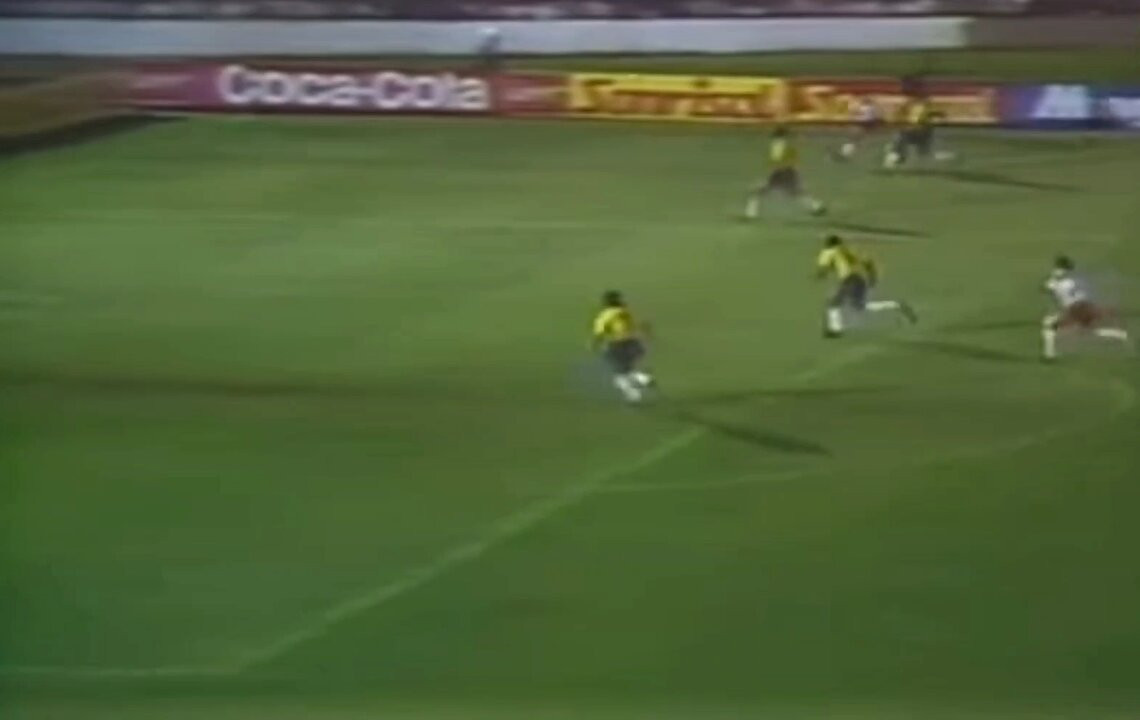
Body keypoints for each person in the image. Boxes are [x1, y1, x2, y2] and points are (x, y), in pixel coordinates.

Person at [816, 234, 917, 338]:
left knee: (834, 304)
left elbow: (823, 268)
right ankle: (896, 305)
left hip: (849, 280)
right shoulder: (848, 250)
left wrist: (819, 275)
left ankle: (836, 329)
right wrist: (872, 277)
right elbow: (868, 262)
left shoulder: (828, 252)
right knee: (859, 306)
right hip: (860, 279)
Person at [1041, 255, 1130, 361]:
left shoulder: (1059, 283)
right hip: (1086, 306)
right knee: (1089, 331)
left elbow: (1045, 288)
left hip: (1075, 309)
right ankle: (1120, 335)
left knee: (1050, 328)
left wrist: (1053, 275)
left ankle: (1049, 355)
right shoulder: (1074, 279)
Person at [744, 125, 825, 219]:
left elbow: (776, 162)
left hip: (781, 173)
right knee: (797, 193)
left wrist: (777, 170)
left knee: (757, 193)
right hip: (789, 173)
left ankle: (751, 214)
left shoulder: (777, 146)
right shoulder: (788, 146)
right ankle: (816, 207)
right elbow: (794, 161)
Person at [591, 290, 655, 403]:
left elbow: (599, 332)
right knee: (626, 369)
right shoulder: (625, 311)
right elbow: (637, 325)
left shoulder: (606, 315)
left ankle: (635, 392)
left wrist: (594, 344)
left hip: (617, 344)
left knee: (619, 375)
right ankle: (643, 379)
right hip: (633, 342)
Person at [834, 96, 883, 161]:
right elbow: (874, 116)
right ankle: (853, 149)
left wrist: (852, 112)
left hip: (863, 123)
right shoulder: (872, 107)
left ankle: (848, 151)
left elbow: (857, 113)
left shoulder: (865, 107)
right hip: (868, 123)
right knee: (859, 138)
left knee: (855, 138)